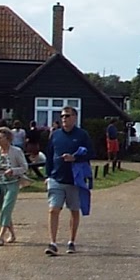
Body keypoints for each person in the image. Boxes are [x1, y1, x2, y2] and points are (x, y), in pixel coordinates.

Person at [45, 106, 91, 256]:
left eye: (68, 116)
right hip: (56, 178)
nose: (64, 119)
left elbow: (91, 152)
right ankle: (52, 243)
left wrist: (75, 158)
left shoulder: (82, 135)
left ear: (75, 117)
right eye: (63, 116)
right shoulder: (55, 135)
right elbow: (49, 155)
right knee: (53, 209)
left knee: (74, 210)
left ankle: (71, 241)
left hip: (74, 180)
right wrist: (47, 175)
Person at [0, 126, 29, 246]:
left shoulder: (16, 151)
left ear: (8, 138)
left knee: (7, 208)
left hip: (13, 183)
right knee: (3, 210)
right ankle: (12, 234)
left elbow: (25, 167)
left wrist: (13, 170)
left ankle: (0, 236)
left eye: (1, 137)